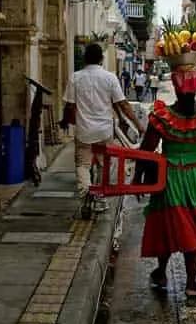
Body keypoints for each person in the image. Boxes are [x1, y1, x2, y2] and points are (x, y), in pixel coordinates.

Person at [135, 53, 196, 299]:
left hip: (170, 177)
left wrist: (138, 179)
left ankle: (161, 271)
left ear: (175, 88)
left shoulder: (161, 116)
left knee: (167, 223)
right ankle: (191, 283)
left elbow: (146, 150)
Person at [62, 44, 147, 208]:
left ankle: (86, 191)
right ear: (101, 59)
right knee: (104, 163)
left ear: (85, 59)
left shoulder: (75, 77)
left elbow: (70, 106)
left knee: (82, 164)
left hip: (84, 130)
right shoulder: (110, 78)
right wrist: (138, 125)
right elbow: (123, 104)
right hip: (104, 131)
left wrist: (68, 121)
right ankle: (100, 198)